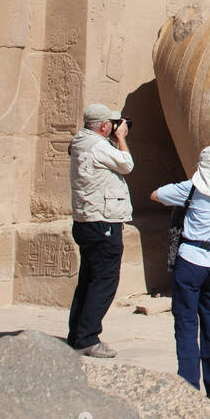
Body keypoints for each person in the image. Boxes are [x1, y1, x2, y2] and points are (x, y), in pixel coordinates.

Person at [151, 146, 210, 406]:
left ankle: (189, 384)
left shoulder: (192, 188)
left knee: (187, 324)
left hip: (190, 260)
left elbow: (155, 195)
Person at [67, 102, 134, 358]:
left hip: (86, 221)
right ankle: (88, 337)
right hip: (102, 220)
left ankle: (78, 334)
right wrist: (121, 138)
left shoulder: (80, 141)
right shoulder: (98, 145)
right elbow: (126, 164)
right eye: (112, 124)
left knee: (88, 280)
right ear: (105, 126)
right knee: (104, 280)